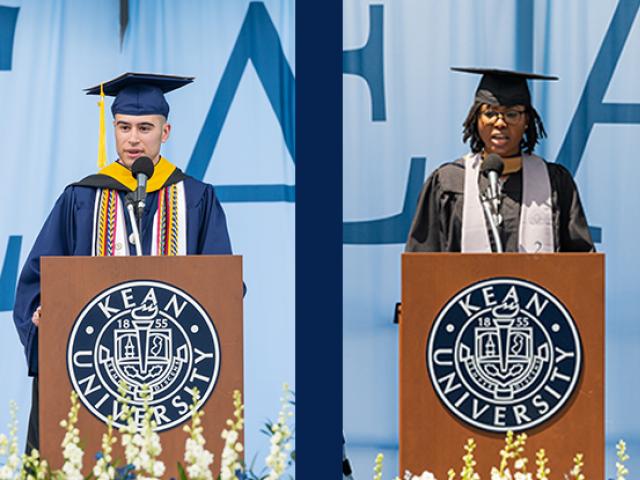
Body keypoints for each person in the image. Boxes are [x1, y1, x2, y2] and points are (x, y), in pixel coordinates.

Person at [13, 72, 233, 451]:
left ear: (165, 133)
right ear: (113, 128)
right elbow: (37, 281)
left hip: (173, 384)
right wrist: (42, 319)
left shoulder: (197, 198)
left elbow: (223, 287)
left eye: (145, 127)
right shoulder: (81, 198)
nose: (133, 139)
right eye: (124, 127)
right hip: (91, 379)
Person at [405, 67, 594, 253]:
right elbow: (423, 265)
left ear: (527, 120)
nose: (500, 123)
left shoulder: (555, 182)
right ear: (476, 119)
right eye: (489, 113)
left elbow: (581, 266)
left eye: (512, 114)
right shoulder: (449, 181)